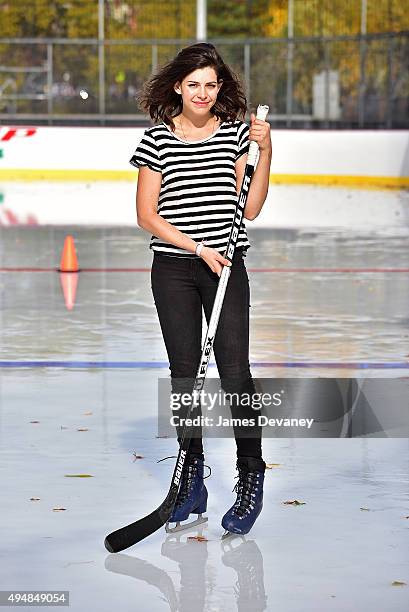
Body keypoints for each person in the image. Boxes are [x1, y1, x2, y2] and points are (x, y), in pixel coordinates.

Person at [130, 42, 272, 536]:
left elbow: (249, 208)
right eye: (194, 84)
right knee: (184, 378)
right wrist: (195, 249)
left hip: (227, 270)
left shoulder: (236, 136)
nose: (203, 93)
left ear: (219, 88)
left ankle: (250, 479)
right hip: (173, 271)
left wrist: (266, 149)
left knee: (235, 374)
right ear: (178, 87)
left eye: (211, 84)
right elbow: (147, 215)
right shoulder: (157, 140)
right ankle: (192, 482)